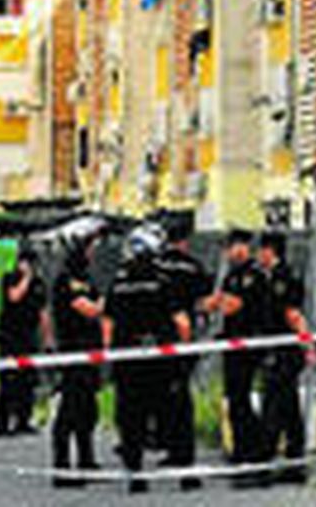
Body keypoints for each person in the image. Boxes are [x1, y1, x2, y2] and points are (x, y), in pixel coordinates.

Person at [103, 224, 191, 494]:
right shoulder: (163, 282)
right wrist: (183, 352)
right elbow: (182, 322)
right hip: (161, 360)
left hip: (128, 360)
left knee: (132, 418)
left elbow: (107, 324)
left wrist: (111, 355)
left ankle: (136, 474)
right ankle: (186, 474)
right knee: (174, 414)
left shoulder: (118, 284)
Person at [203, 229, 268, 484]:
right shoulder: (232, 275)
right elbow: (217, 303)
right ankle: (242, 452)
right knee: (235, 400)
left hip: (249, 345)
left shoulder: (253, 274)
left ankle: (253, 454)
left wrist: (217, 301)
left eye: (237, 246)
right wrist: (211, 302)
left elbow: (233, 305)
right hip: (233, 345)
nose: (233, 252)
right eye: (230, 247)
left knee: (242, 401)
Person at [153, 212, 208, 490]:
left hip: (157, 341)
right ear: (185, 241)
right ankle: (185, 458)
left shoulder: (156, 265)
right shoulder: (193, 267)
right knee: (182, 399)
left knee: (163, 398)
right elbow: (201, 303)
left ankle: (170, 449)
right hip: (182, 339)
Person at [256, 231, 315, 484]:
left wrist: (307, 346)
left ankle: (264, 464)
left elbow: (294, 316)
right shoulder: (270, 277)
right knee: (290, 408)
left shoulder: (284, 279)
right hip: (278, 349)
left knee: (273, 407)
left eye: (261, 250)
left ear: (270, 251)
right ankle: (295, 463)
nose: (258, 255)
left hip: (284, 351)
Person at [49, 237, 104, 489]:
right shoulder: (66, 281)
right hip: (73, 352)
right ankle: (61, 467)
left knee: (88, 410)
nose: (92, 255)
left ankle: (86, 459)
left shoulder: (87, 279)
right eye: (89, 250)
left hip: (90, 352)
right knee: (69, 411)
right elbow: (90, 309)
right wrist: (106, 302)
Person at [0, 247, 48, 437]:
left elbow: (43, 312)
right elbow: (14, 296)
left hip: (28, 336)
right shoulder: (9, 278)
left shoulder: (39, 284)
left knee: (28, 381)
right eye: (27, 263)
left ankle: (23, 420)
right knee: (9, 381)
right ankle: (1, 423)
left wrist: (46, 339)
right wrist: (26, 278)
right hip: (9, 336)